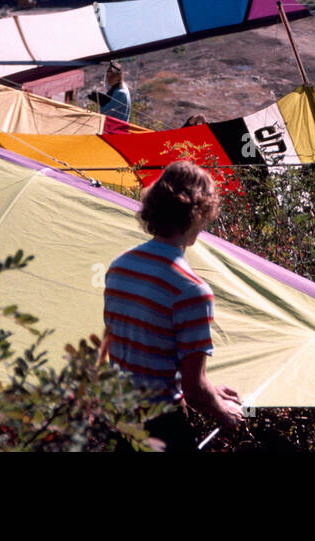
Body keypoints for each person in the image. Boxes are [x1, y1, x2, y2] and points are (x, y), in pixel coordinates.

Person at [102, 160, 243, 450]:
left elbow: (144, 354)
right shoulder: (192, 291)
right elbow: (193, 389)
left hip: (119, 413)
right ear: (198, 215)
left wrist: (211, 389)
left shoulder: (120, 267)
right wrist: (223, 410)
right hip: (162, 423)